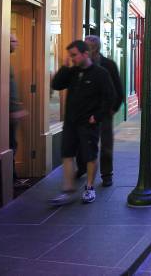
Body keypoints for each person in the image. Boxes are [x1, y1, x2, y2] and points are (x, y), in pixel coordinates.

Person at [49, 40, 116, 205]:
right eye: (70, 56)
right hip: (71, 122)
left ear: (85, 54)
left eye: (74, 55)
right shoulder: (72, 72)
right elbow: (56, 85)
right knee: (67, 154)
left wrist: (97, 116)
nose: (72, 58)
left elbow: (110, 97)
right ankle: (68, 189)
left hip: (88, 123)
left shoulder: (100, 73)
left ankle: (89, 187)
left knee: (90, 155)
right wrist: (64, 67)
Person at [75, 35, 124, 187]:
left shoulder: (108, 65)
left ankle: (106, 174)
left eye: (86, 46)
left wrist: (112, 109)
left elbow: (118, 91)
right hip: (85, 113)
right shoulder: (80, 65)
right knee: (83, 142)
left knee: (106, 145)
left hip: (104, 112)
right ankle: (82, 167)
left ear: (94, 48)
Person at [9, 34, 28, 183]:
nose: (17, 43)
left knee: (12, 143)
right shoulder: (2, 61)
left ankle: (13, 177)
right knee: (11, 144)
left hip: (12, 110)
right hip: (9, 113)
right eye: (14, 41)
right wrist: (14, 109)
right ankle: (12, 179)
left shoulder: (6, 61)